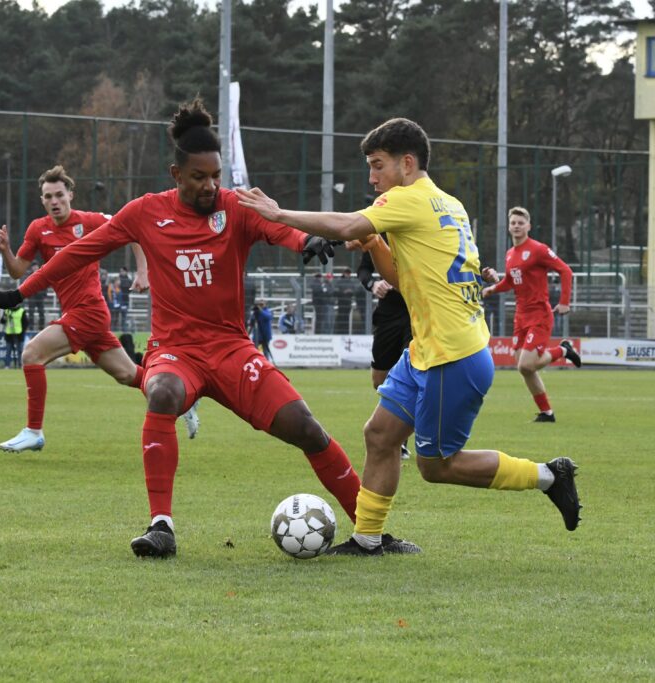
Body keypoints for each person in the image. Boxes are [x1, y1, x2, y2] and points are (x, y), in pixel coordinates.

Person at [0, 99, 366, 559]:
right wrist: (16, 294)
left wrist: (308, 240)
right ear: (177, 174)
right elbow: (77, 255)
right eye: (199, 177)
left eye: (215, 175)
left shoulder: (234, 206)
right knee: (159, 391)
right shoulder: (144, 212)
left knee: (307, 428)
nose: (210, 185)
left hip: (232, 350)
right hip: (176, 350)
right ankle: (161, 527)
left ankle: (372, 531)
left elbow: (279, 228)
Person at [237, 117, 582, 556]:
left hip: (451, 355)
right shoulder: (448, 204)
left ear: (406, 163)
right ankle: (367, 540)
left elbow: (344, 225)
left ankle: (549, 475)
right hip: (429, 348)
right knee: (380, 434)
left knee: (437, 466)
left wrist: (279, 214)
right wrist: (378, 245)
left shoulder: (409, 199)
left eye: (377, 165)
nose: (372, 176)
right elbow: (402, 280)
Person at [0, 164, 200, 452]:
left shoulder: (89, 221)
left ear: (70, 195)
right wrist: (5, 250)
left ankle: (33, 431)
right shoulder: (38, 229)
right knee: (129, 375)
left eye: (59, 195)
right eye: (48, 196)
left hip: (89, 311)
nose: (54, 201)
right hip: (78, 316)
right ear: (42, 200)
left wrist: (143, 271)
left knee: (31, 354)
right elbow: (17, 272)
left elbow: (133, 230)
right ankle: (184, 397)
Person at [480, 206, 580, 423]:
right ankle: (546, 413)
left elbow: (565, 270)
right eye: (513, 223)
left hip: (539, 314)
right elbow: (510, 280)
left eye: (520, 223)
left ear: (528, 226)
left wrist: (564, 302)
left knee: (526, 364)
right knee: (524, 367)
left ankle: (563, 350)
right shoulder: (510, 254)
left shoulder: (538, 249)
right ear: (509, 226)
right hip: (520, 316)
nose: (516, 226)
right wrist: (492, 288)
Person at [352, 234, 413, 458]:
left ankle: (400, 439)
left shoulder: (418, 229)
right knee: (380, 380)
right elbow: (364, 270)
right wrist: (374, 283)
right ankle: (397, 431)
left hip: (416, 310)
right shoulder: (380, 234)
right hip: (388, 313)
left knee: (408, 371)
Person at [2, 302, 27, 369]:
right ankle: (7, 365)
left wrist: (23, 331)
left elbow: (25, 323)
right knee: (8, 351)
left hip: (19, 334)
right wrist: (4, 318)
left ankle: (20, 365)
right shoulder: (7, 311)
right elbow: (2, 321)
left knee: (20, 351)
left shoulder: (22, 311)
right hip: (9, 333)